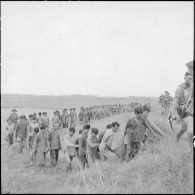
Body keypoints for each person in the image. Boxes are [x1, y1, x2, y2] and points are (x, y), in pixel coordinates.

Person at [171, 69, 193, 151]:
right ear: (185, 78)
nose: (191, 80)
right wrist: (173, 114)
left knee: (184, 130)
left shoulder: (191, 88)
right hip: (182, 113)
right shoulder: (179, 89)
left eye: (192, 78)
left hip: (189, 112)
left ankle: (177, 139)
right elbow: (175, 103)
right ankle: (192, 149)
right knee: (190, 129)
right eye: (189, 78)